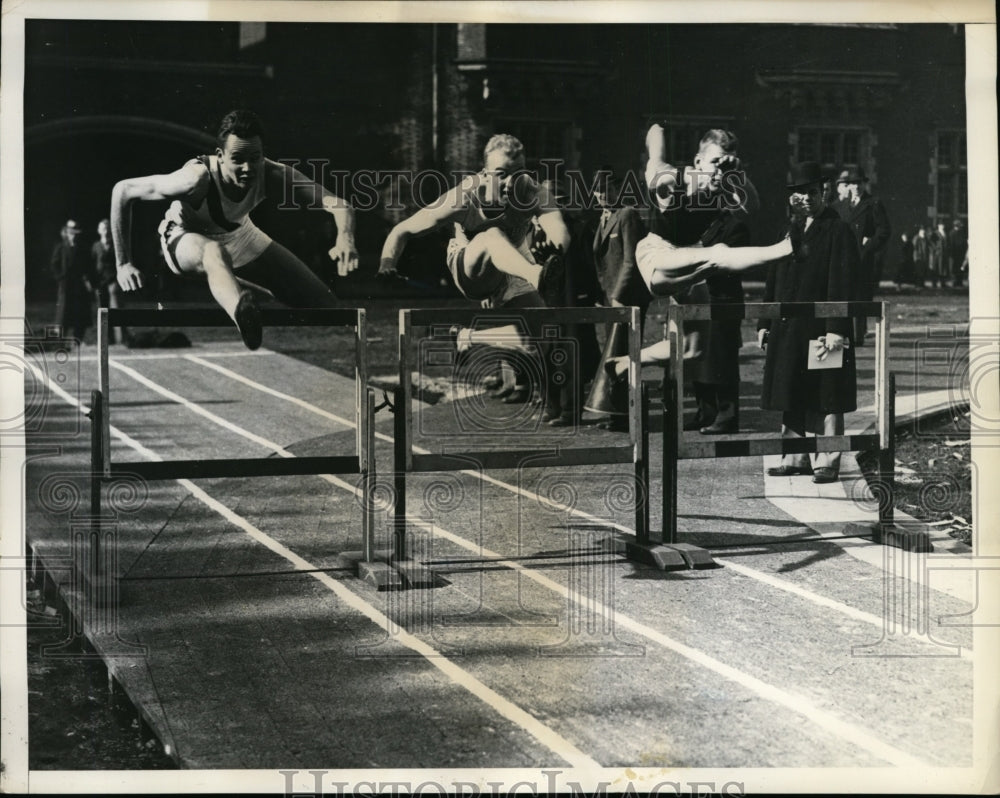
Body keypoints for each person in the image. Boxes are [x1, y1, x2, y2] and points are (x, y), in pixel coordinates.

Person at [111, 109, 358, 350]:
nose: (248, 168)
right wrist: (123, 263)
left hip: (240, 233)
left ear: (262, 154)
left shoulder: (272, 172)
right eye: (238, 159)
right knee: (214, 252)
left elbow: (339, 204)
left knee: (328, 306)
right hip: (185, 237)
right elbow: (123, 190)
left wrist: (345, 238)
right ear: (220, 155)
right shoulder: (195, 179)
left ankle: (244, 289)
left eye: (254, 158)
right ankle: (242, 313)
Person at [378, 133, 571, 409]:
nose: (510, 183)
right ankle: (537, 276)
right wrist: (387, 264)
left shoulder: (534, 191)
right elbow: (403, 229)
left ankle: (468, 337)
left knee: (539, 336)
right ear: (484, 172)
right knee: (491, 235)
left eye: (518, 173)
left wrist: (556, 246)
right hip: (470, 266)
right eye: (501, 174)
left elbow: (558, 227)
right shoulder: (464, 196)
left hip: (515, 263)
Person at [758, 161, 860, 485]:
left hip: (822, 329)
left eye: (811, 192)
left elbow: (842, 282)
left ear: (823, 193)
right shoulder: (788, 231)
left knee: (828, 394)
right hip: (789, 328)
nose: (805, 198)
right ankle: (795, 456)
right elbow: (773, 279)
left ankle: (827, 460)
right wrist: (765, 322)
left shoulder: (837, 230)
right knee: (790, 389)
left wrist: (836, 329)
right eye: (799, 193)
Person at [584, 167, 650, 431]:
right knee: (613, 355)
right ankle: (615, 412)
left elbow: (630, 260)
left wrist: (618, 296)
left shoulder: (627, 214)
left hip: (627, 300)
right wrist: (603, 295)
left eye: (607, 189)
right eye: (598, 190)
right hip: (610, 299)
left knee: (624, 355)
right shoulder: (603, 217)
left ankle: (625, 416)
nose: (601, 195)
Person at [835, 166, 890, 344]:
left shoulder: (873, 203)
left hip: (863, 260)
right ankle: (843, 333)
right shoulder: (841, 206)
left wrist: (870, 244)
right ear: (848, 186)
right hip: (844, 259)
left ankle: (858, 337)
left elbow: (884, 230)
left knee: (860, 297)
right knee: (844, 297)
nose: (856, 187)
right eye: (852, 183)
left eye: (859, 183)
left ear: (864, 184)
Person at [50, 219, 93, 342]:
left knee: (80, 313)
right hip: (66, 285)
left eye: (75, 233)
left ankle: (77, 339)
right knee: (63, 313)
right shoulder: (61, 247)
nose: (73, 235)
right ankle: (60, 341)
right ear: (66, 232)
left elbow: (88, 265)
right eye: (71, 232)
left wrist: (87, 280)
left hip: (79, 285)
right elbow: (54, 264)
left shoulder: (83, 248)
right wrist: (61, 277)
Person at [91, 218, 127, 344]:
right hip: (100, 282)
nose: (105, 231)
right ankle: (105, 339)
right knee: (102, 310)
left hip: (114, 281)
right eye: (103, 229)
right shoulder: (96, 246)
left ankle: (122, 339)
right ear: (99, 230)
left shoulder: (117, 246)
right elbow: (92, 264)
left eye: (107, 229)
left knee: (116, 308)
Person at [948, 218, 967, 288]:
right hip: (954, 254)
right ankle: (955, 282)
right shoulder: (952, 233)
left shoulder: (961, 233)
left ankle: (960, 281)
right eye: (958, 226)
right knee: (954, 269)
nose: (960, 227)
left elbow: (964, 243)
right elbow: (951, 244)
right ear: (955, 226)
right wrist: (952, 254)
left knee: (961, 268)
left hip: (961, 254)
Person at [927, 222, 946, 289]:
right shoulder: (935, 233)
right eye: (941, 225)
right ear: (938, 226)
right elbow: (930, 242)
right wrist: (935, 249)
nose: (942, 226)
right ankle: (934, 283)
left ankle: (942, 283)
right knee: (936, 268)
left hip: (943, 253)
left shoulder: (944, 233)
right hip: (937, 254)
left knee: (942, 269)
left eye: (943, 225)